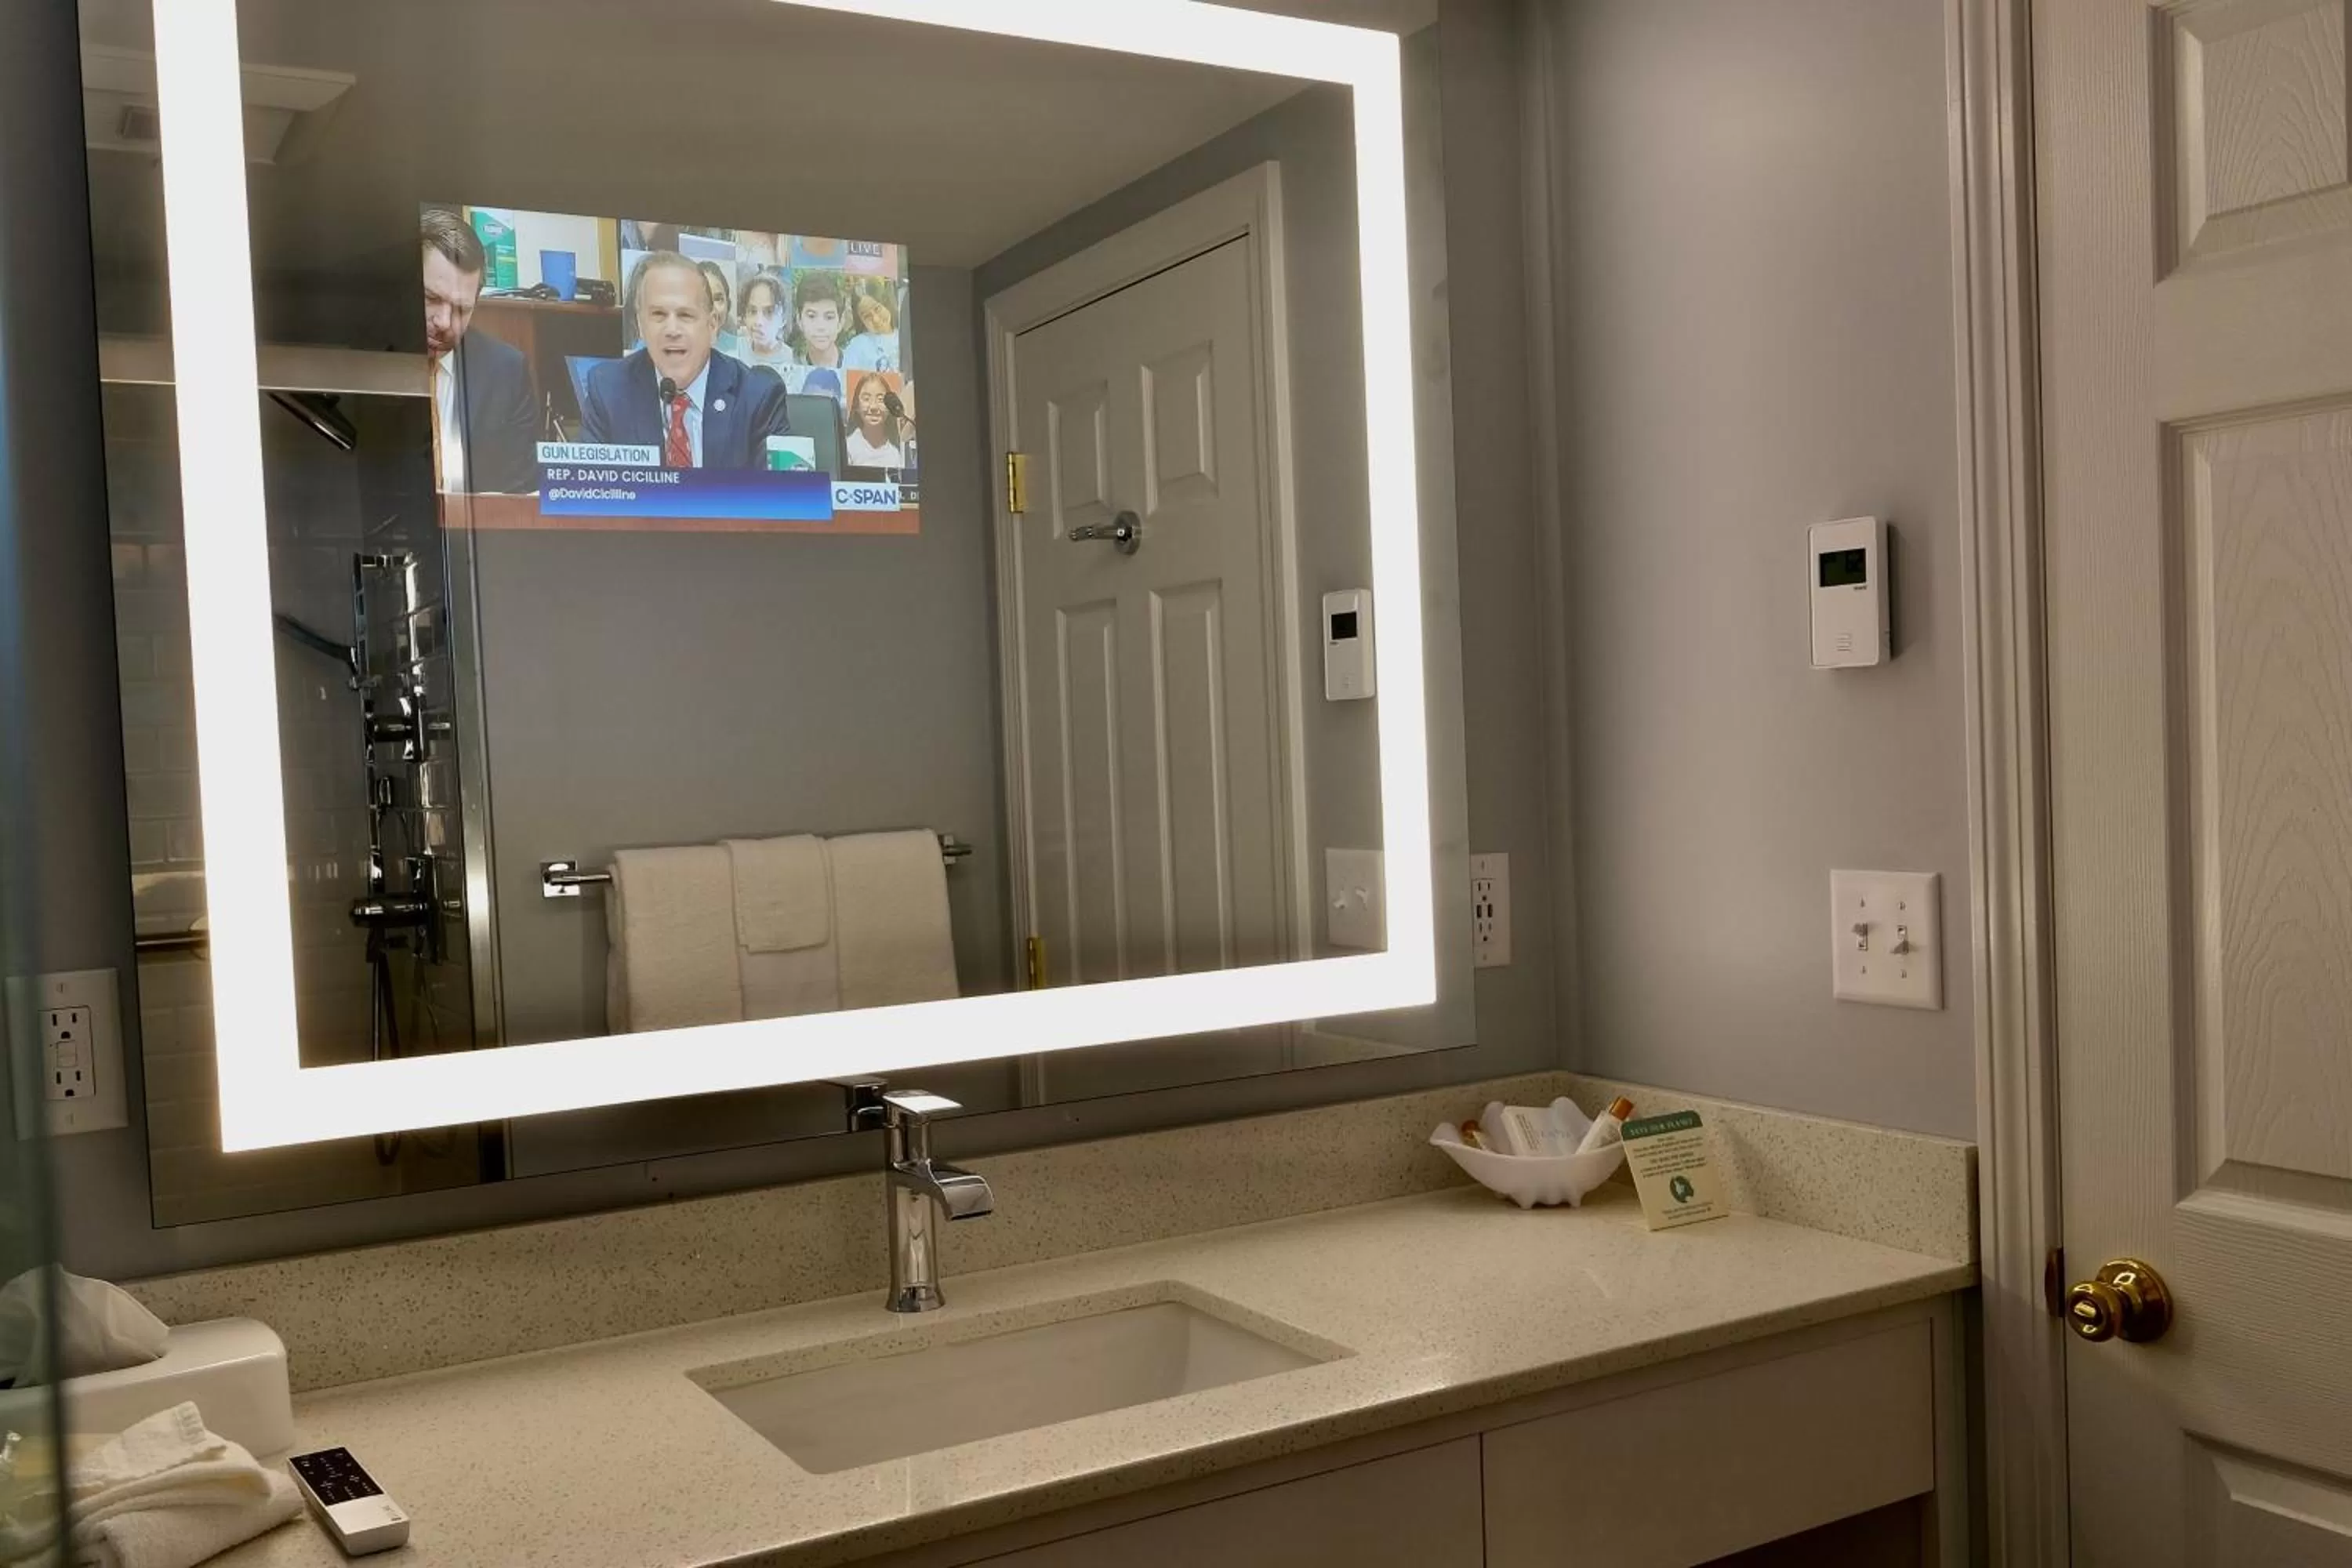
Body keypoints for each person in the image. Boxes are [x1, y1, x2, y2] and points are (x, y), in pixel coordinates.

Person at [579, 251, 792, 469]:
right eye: (659, 314)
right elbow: (589, 485)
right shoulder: (608, 391)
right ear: (641, 325)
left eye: (685, 315)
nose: (672, 330)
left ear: (712, 325)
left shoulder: (758, 398)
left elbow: (777, 490)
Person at [420, 208, 540, 494]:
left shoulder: (507, 372)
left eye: (462, 309)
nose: (444, 322)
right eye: (431, 298)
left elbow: (520, 492)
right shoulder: (363, 359)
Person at [783, 270, 848, 395]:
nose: (821, 327)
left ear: (841, 322)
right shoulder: (791, 368)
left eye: (829, 317)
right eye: (812, 316)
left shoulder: (855, 364)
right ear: (799, 320)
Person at [843, 372, 907, 468]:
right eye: (866, 399)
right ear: (857, 406)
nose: (873, 406)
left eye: (881, 399)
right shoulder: (848, 448)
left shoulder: (896, 454)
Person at [737, 271, 795, 370]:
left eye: (769, 312)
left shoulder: (791, 359)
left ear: (783, 319)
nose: (758, 322)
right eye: (752, 311)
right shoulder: (737, 350)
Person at [842, 288, 902, 372]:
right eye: (867, 316)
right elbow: (846, 378)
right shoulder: (857, 345)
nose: (876, 319)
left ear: (886, 304)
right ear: (861, 322)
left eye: (877, 309)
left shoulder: (906, 335)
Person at [698, 260, 742, 357]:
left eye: (718, 299)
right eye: (704, 299)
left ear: (728, 304)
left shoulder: (740, 348)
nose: (713, 308)